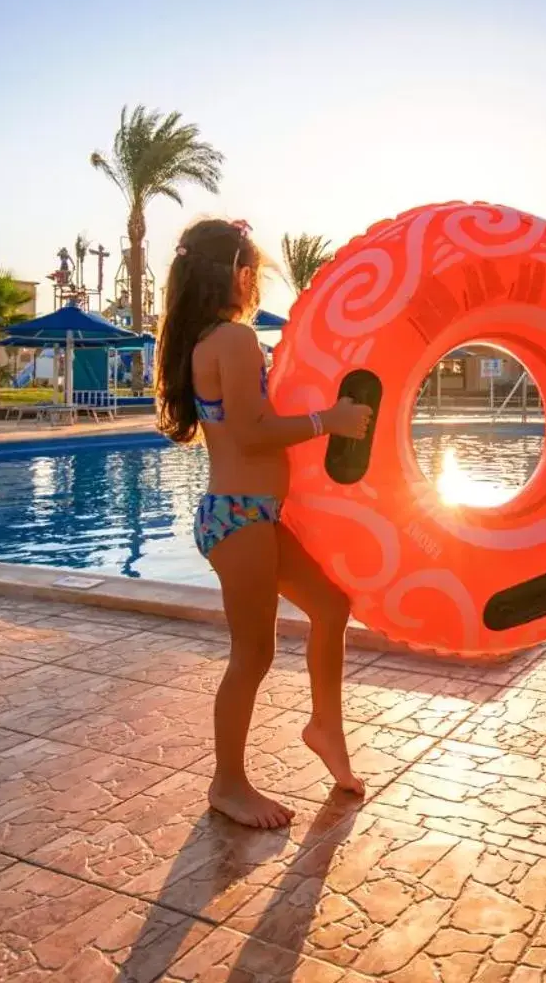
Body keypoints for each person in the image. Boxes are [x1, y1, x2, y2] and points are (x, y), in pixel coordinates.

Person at [155, 217, 373, 828]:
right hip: (239, 517)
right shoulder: (232, 339)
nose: (258, 283)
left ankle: (324, 727)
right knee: (251, 654)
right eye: (255, 270)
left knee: (330, 606)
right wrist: (326, 421)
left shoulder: (210, 339)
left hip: (249, 514)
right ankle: (227, 783)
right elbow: (251, 435)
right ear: (238, 273)